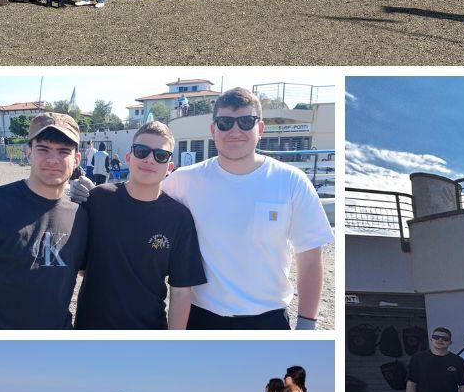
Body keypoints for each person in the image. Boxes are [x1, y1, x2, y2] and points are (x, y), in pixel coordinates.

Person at [108, 88, 332, 330]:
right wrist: (96, 197)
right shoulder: (184, 181)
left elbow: (309, 257)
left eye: (246, 122)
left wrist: (307, 324)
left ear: (260, 129)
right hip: (199, 319)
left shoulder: (291, 181)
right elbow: (140, 198)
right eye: (225, 123)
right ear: (214, 129)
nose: (235, 131)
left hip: (268, 321)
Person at [0, 113, 88, 329]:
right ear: (29, 152)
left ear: (77, 159)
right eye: (43, 149)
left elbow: (87, 272)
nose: (53, 159)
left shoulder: (82, 216)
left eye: (63, 151)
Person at [73, 121, 207, 330]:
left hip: (148, 332)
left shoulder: (179, 217)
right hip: (92, 329)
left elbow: (181, 290)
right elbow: (80, 267)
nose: (150, 160)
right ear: (129, 157)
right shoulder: (98, 200)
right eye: (142, 151)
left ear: (169, 166)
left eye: (160, 155)